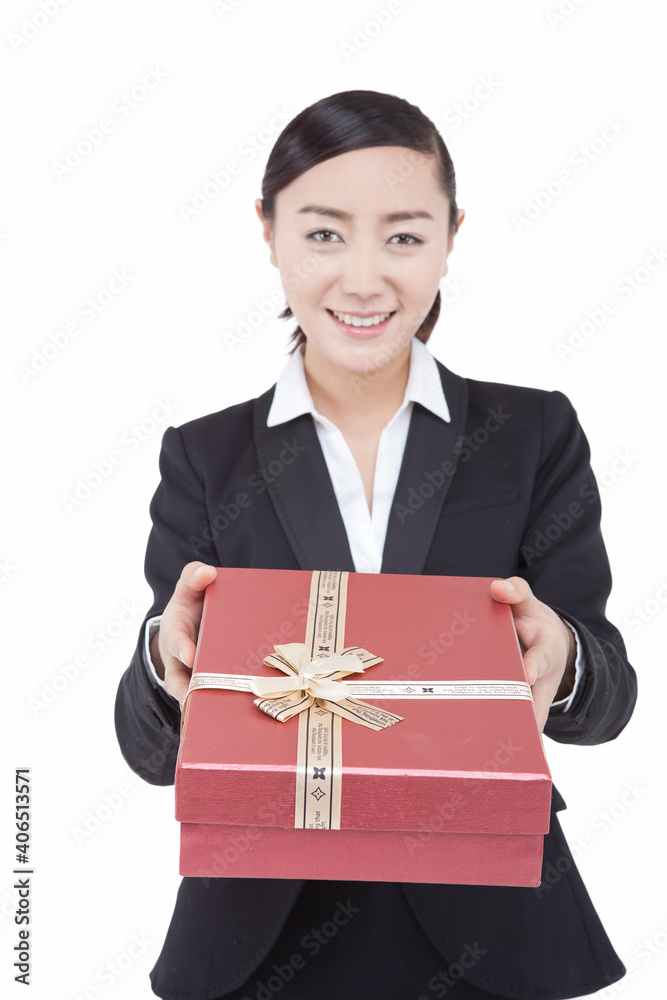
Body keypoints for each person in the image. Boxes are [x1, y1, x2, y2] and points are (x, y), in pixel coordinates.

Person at [114, 90, 637, 1000]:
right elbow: (150, 750)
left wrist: (561, 655)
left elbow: (607, 697)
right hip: (258, 928)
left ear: (450, 237)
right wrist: (169, 660)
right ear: (268, 233)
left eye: (402, 236)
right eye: (323, 234)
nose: (363, 279)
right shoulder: (205, 455)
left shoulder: (531, 433)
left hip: (496, 911)